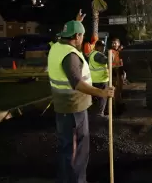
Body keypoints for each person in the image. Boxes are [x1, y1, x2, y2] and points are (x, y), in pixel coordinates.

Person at [47, 20, 115, 183]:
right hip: (73, 109)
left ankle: (66, 179)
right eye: (81, 36)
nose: (83, 39)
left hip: (64, 107)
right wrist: (102, 92)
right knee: (77, 151)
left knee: (67, 148)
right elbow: (76, 82)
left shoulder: (57, 47)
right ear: (77, 36)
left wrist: (76, 22)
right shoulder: (70, 55)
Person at [88, 40, 109, 119]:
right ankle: (100, 115)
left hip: (94, 80)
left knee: (96, 97)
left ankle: (94, 114)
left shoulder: (92, 54)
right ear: (97, 46)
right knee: (102, 97)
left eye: (104, 46)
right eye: (102, 46)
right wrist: (111, 56)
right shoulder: (98, 55)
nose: (103, 48)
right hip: (101, 80)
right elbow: (105, 60)